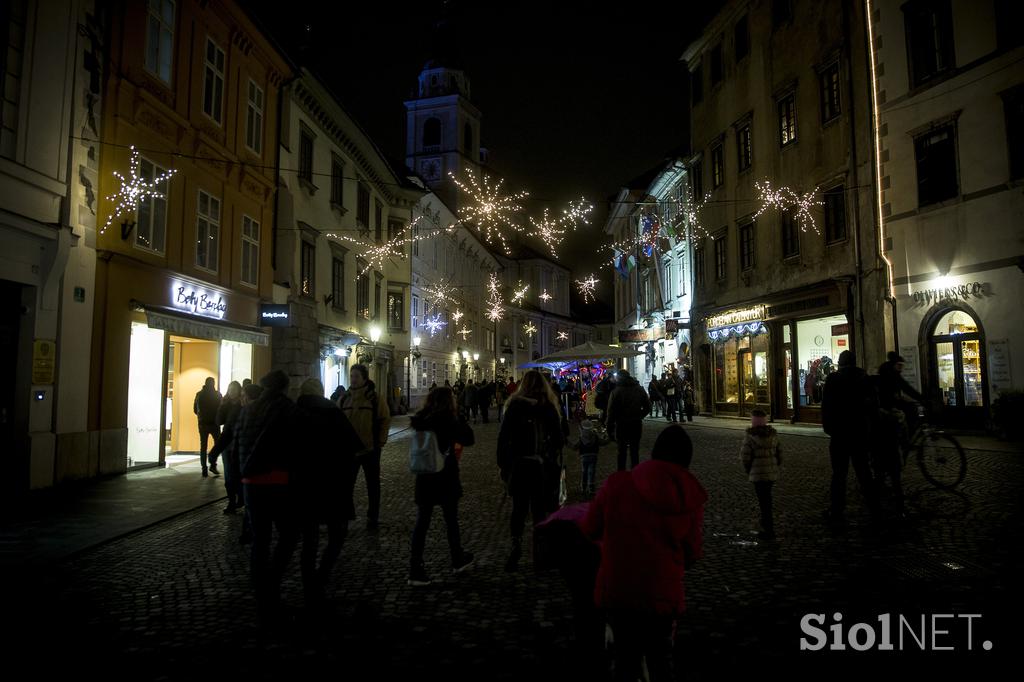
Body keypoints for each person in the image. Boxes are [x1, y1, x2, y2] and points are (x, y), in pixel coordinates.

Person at [581, 425, 706, 682]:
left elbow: (590, 528)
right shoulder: (687, 496)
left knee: (625, 661)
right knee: (661, 660)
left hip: (619, 590)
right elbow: (692, 553)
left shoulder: (618, 484)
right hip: (662, 595)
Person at [234, 370, 298, 624]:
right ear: (284, 387)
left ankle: (260, 589)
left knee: (260, 540)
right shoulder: (286, 408)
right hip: (277, 479)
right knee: (289, 534)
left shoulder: (248, 409)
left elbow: (238, 439)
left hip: (250, 482)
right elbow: (295, 443)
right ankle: (271, 583)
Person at [293, 378, 360, 607]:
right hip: (334, 486)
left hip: (304, 487)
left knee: (309, 541)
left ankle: (308, 584)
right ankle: (321, 576)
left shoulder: (293, 415)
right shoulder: (334, 413)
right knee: (337, 535)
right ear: (321, 393)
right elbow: (353, 449)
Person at [497, 369, 565, 572]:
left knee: (518, 509)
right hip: (541, 465)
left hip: (519, 465)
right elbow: (559, 439)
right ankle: (540, 555)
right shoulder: (548, 407)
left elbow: (503, 438)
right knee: (540, 510)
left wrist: (503, 465)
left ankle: (516, 547)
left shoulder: (514, 406)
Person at [407, 387, 476, 586]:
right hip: (445, 475)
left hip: (425, 474)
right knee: (451, 520)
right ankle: (457, 559)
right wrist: (460, 418)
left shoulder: (421, 419)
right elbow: (469, 439)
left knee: (422, 523)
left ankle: (415, 568)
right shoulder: (449, 420)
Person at [821, 350, 880, 526]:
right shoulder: (865, 379)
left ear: (840, 362)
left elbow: (827, 406)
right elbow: (873, 407)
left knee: (839, 474)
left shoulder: (833, 379)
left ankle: (837, 509)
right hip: (859, 432)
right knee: (864, 472)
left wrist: (829, 428)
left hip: (840, 433)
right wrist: (871, 430)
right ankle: (874, 507)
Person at [338, 364, 392, 532]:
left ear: (364, 378)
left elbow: (385, 419)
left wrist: (381, 441)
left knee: (373, 485)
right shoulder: (344, 398)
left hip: (370, 449)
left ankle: (372, 517)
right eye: (351, 376)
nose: (353, 379)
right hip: (349, 450)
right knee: (346, 485)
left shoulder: (374, 398)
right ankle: (345, 517)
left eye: (356, 376)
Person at [740, 409, 782, 539]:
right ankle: (767, 525)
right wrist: (774, 467)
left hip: (757, 475)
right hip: (770, 474)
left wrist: (749, 470)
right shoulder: (773, 436)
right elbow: (780, 455)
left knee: (764, 501)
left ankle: (768, 528)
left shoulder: (750, 438)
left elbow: (745, 457)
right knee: (766, 499)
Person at [606, 370, 651, 471]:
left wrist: (609, 427)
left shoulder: (616, 391)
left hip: (621, 425)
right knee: (634, 452)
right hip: (636, 424)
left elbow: (611, 412)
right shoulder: (639, 389)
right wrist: (639, 415)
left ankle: (621, 476)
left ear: (619, 378)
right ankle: (635, 474)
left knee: (621, 452)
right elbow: (648, 407)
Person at [209, 381, 243, 510]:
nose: (232, 392)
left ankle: (239, 498)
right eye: (230, 389)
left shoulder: (243, 404)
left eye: (234, 389)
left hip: (238, 444)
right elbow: (218, 421)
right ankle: (232, 502)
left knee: (238, 473)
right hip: (227, 444)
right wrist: (222, 406)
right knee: (229, 475)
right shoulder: (226, 404)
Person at [193, 377, 223, 477]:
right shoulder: (218, 395)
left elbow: (195, 410)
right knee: (218, 444)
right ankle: (213, 464)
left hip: (203, 424)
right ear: (213, 383)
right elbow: (221, 408)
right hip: (214, 424)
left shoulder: (199, 394)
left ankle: (204, 469)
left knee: (203, 446)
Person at [576, 419, 601, 496]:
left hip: (584, 456)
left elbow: (575, 446)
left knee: (584, 471)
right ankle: (591, 487)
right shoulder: (595, 436)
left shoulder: (581, 437)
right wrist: (610, 439)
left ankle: (583, 487)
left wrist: (567, 443)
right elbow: (602, 442)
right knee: (591, 471)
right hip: (593, 455)